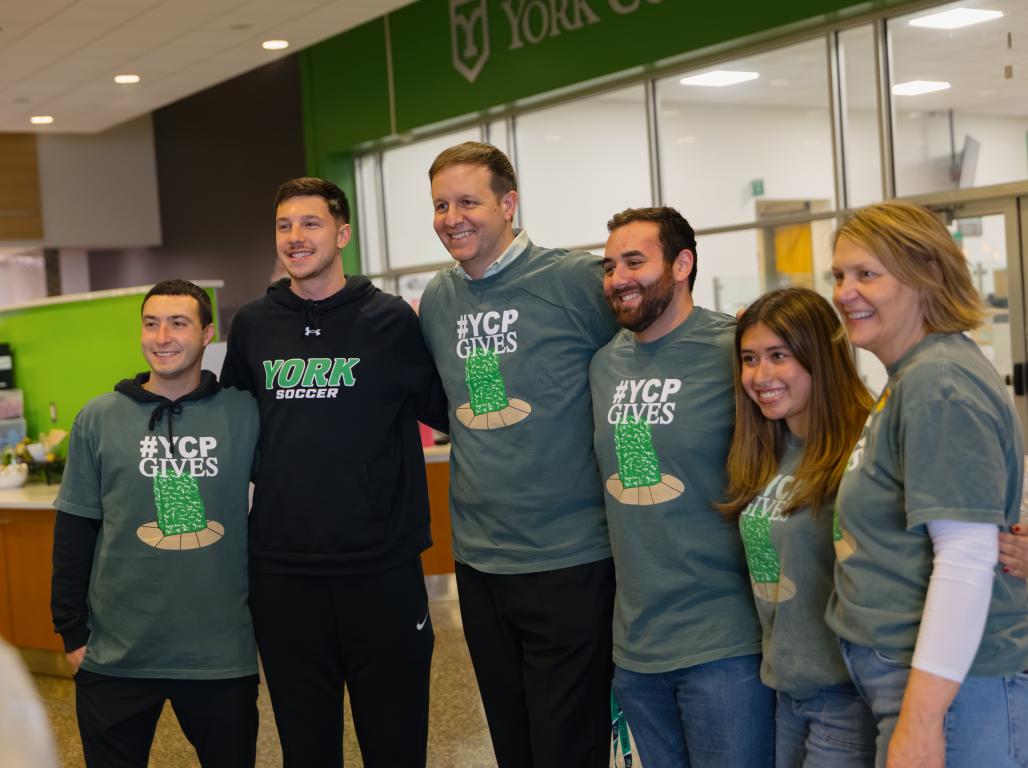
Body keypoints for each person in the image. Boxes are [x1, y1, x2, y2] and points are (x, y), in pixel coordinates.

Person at [220, 177, 446, 768]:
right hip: (284, 577)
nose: (296, 237)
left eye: (311, 223)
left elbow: (452, 410)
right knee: (307, 749)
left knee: (396, 746)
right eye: (284, 226)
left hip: (383, 571)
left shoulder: (391, 320)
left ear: (342, 233)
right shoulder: (252, 326)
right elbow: (230, 430)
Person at [419, 142, 619, 768]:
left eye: (468, 202)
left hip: (571, 556)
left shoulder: (576, 280)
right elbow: (439, 401)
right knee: (513, 743)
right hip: (480, 561)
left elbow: (647, 357)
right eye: (441, 204)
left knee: (568, 744)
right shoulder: (440, 299)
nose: (453, 217)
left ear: (508, 204)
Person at [825, 201, 1028, 768]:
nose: (845, 292)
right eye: (839, 275)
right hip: (920, 684)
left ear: (926, 278)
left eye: (868, 274)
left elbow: (964, 556)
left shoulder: (938, 384)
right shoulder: (914, 375)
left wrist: (921, 721)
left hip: (951, 692)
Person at [588, 206, 773, 767]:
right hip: (637, 649)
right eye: (610, 265)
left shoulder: (734, 351)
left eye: (636, 261)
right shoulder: (603, 365)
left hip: (726, 644)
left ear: (682, 264)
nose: (619, 277)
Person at [51, 279, 260, 768]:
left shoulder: (243, 413)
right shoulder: (99, 418)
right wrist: (72, 635)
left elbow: (288, 508)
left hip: (220, 653)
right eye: (151, 323)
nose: (162, 336)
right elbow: (75, 528)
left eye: (178, 323)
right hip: (117, 655)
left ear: (207, 333)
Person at [722, 287, 877, 767]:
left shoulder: (861, 452)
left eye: (778, 356)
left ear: (818, 359)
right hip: (786, 691)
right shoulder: (771, 451)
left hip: (846, 699)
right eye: (749, 358)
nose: (760, 376)